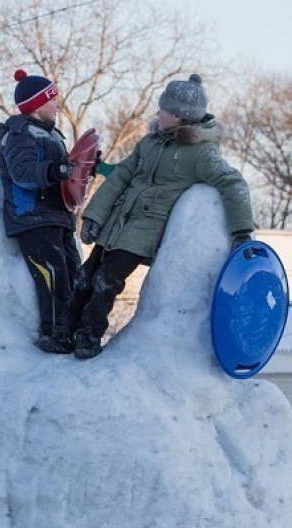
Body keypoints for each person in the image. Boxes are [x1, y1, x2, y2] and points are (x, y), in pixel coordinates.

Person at [67, 73, 255, 360]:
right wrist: (94, 216)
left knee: (107, 280)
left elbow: (233, 183)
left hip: (145, 232)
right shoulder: (150, 142)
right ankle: (66, 330)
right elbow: (122, 176)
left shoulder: (201, 153)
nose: (158, 113)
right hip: (118, 223)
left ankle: (88, 337)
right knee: (85, 276)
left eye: (163, 109)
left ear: (179, 116)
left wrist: (241, 230)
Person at [0, 69, 81, 354]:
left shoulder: (54, 135)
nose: (58, 103)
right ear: (37, 104)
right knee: (53, 273)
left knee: (74, 273)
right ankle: (54, 333)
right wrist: (55, 170)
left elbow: (67, 175)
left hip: (58, 216)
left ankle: (76, 330)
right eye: (52, 98)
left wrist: (83, 165)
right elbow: (23, 172)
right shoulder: (18, 134)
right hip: (32, 216)